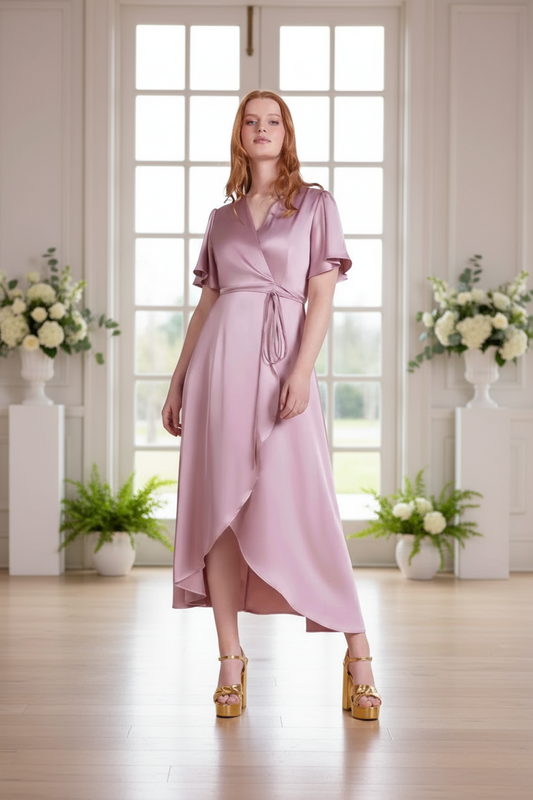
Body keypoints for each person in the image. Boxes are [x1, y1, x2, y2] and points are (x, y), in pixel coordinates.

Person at [162, 90, 382, 721]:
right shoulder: (221, 218)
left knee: (309, 509)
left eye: (273, 121)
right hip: (218, 376)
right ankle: (230, 661)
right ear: (240, 136)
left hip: (282, 372)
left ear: (287, 133)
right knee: (222, 516)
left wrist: (302, 370)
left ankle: (358, 654)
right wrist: (178, 381)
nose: (262, 130)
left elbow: (320, 297)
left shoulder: (315, 204)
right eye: (251, 123)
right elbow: (208, 307)